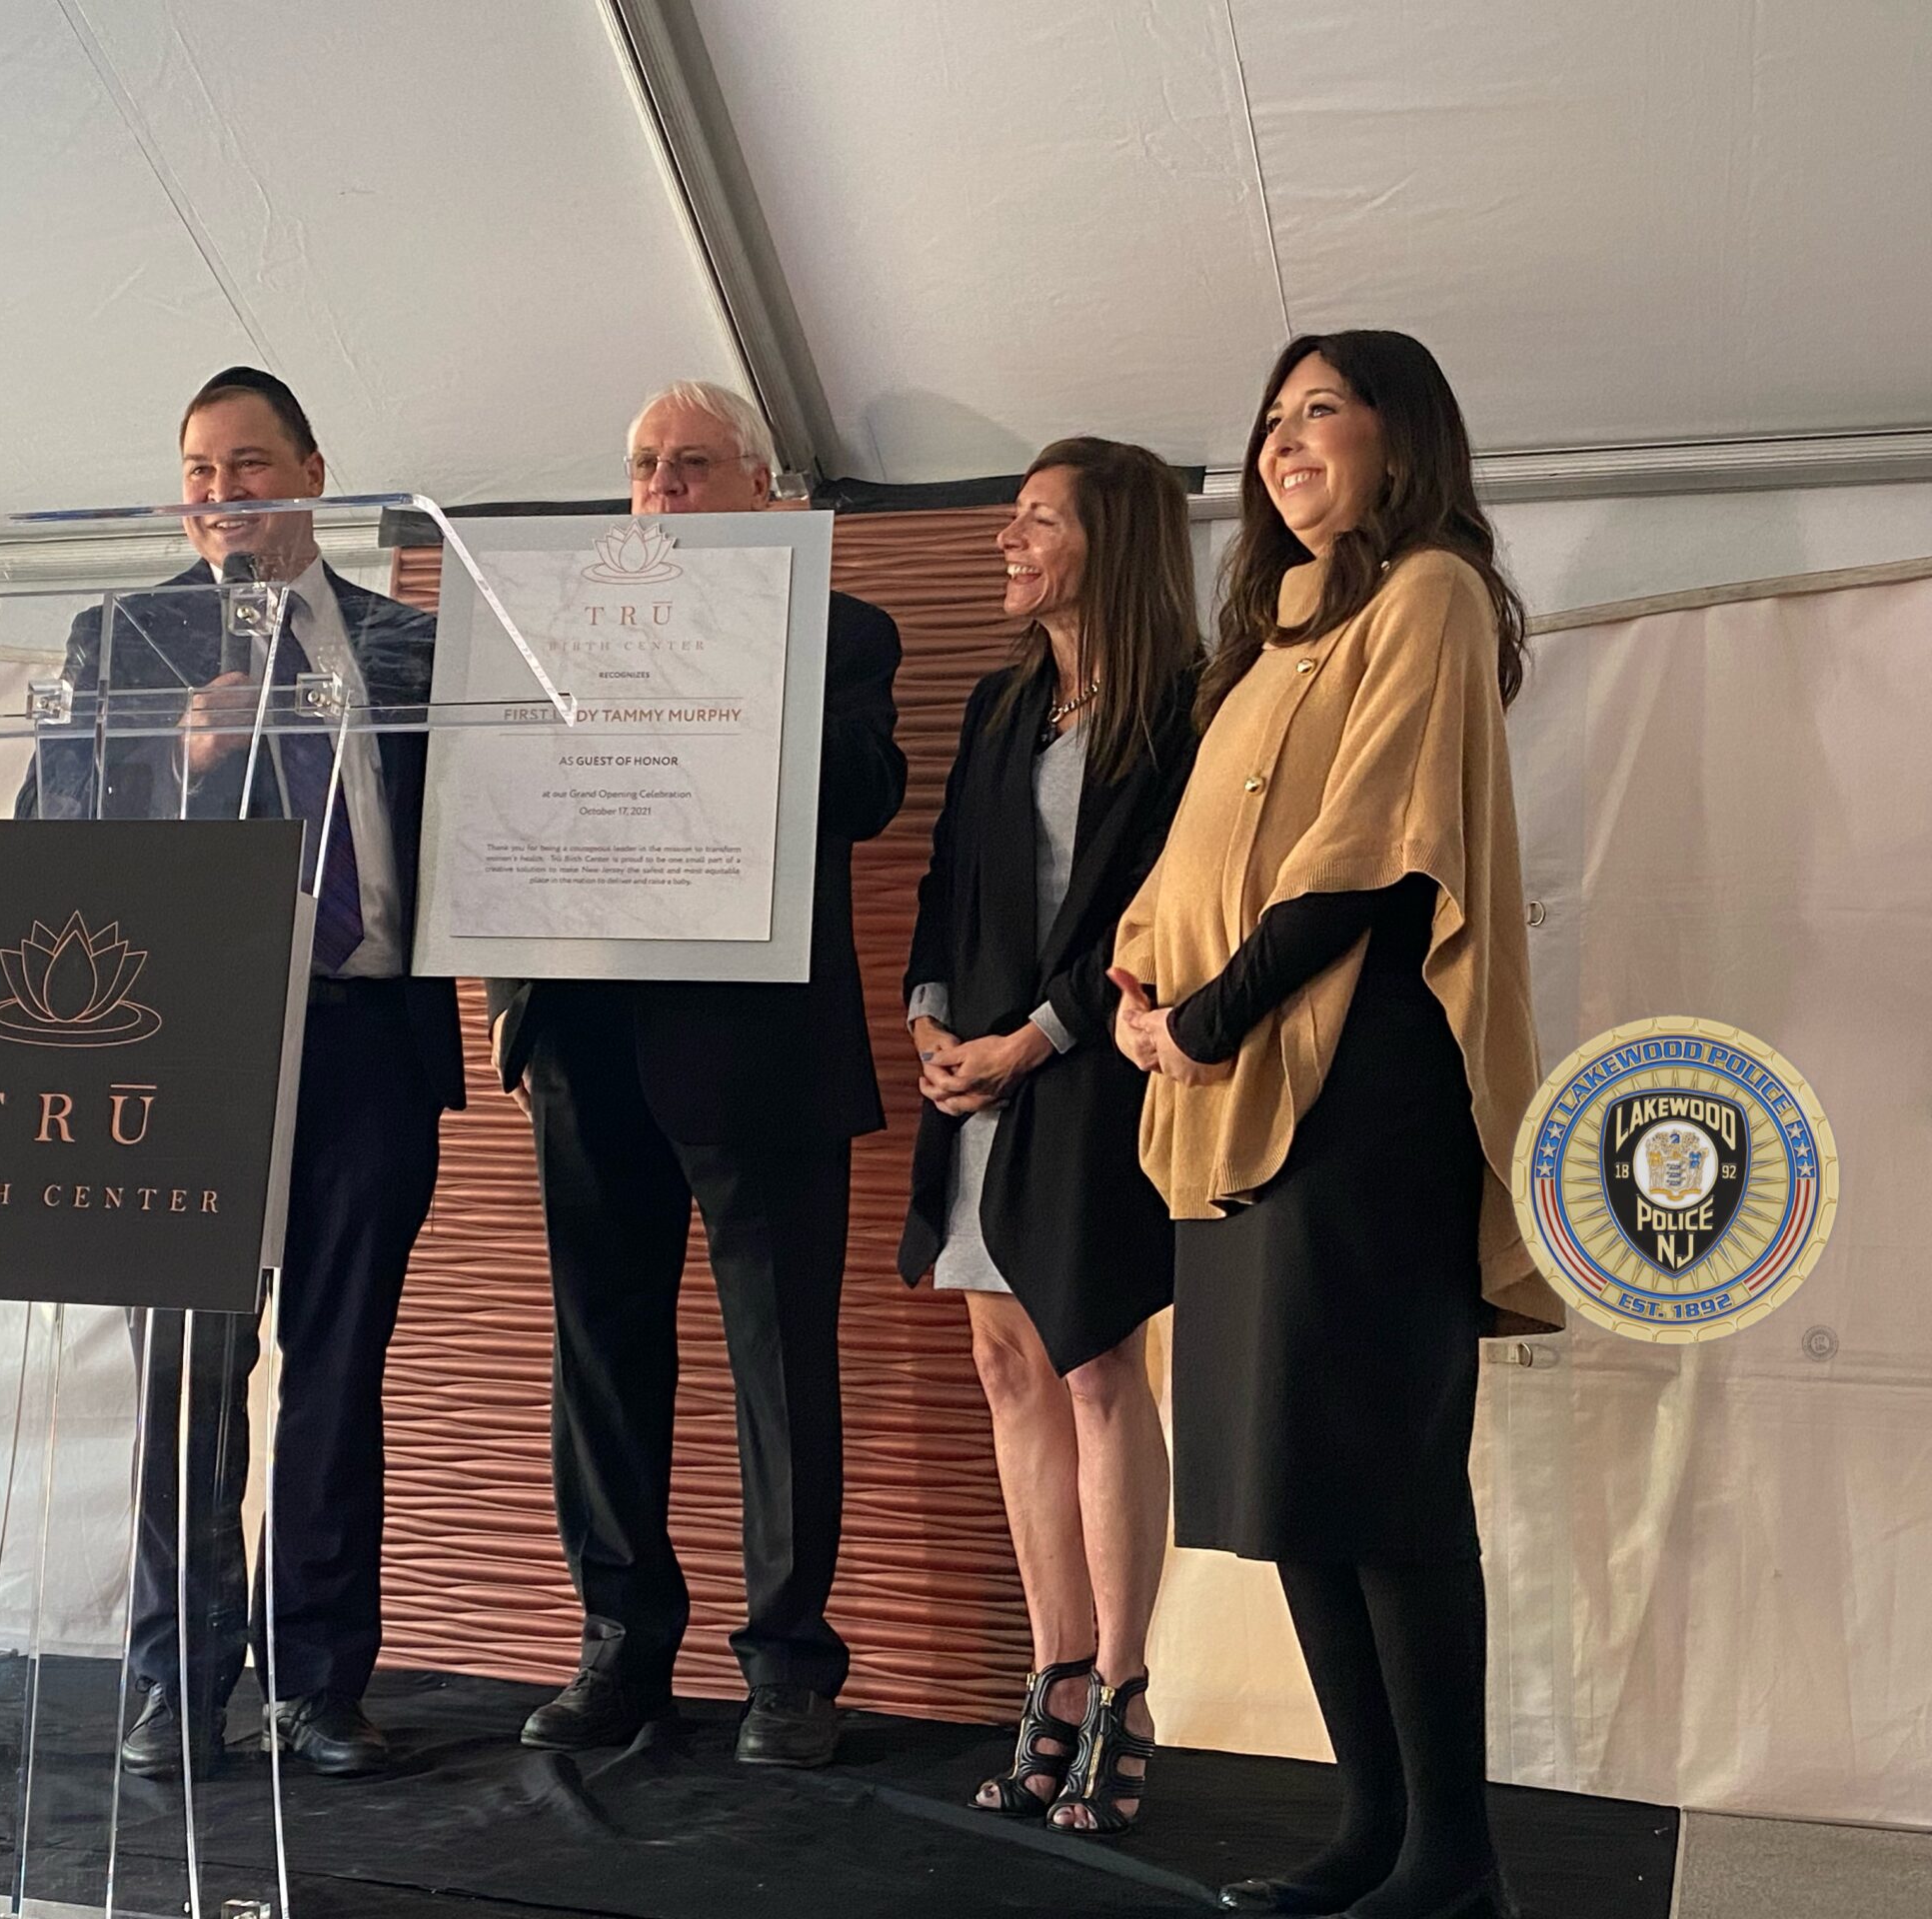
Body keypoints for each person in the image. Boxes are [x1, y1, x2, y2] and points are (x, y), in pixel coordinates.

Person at [1110, 331, 1565, 1919]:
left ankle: (1457, 1858)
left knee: (1386, 1476)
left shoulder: (1430, 592)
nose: (1286, 441)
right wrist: (1140, 990)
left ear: (1400, 435)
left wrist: (1208, 1016)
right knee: (1298, 1475)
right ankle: (1375, 1829)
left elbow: (1371, 858)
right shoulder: (1270, 634)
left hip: (1359, 1092)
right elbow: (1190, 862)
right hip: (1235, 1094)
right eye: (1271, 419)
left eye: (1323, 410)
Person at [21, 366, 464, 1780]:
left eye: (249, 465)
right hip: (189, 1044)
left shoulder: (410, 645)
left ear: (314, 475)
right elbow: (50, 828)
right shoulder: (123, 639)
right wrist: (178, 750)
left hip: (370, 1041)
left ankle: (318, 1688)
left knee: (337, 1375)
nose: (222, 495)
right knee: (189, 1379)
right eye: (200, 472)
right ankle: (178, 1682)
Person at [486, 380, 907, 1768]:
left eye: (692, 466)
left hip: (759, 1058)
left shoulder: (842, 630)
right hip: (586, 1043)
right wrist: (511, 999)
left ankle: (789, 1668)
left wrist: (741, 660)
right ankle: (620, 1650)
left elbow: (867, 794)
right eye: (644, 468)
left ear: (763, 492)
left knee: (780, 1365)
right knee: (601, 1360)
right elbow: (502, 802)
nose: (661, 490)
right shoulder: (548, 629)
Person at [899, 437, 1200, 1833]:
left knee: (1092, 1367)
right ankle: (1057, 1674)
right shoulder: (1000, 701)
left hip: (1090, 1077)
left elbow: (1169, 911)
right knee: (1005, 1362)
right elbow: (949, 877)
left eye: (1036, 520)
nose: (1006, 542)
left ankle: (1127, 1686)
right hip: (977, 1074)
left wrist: (1033, 1039)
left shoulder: (1191, 706)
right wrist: (931, 1018)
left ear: (1111, 543)